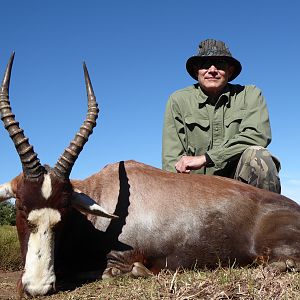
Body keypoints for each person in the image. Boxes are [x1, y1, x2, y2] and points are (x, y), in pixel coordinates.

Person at [162, 39, 281, 193]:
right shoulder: (178, 100)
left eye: (219, 64)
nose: (212, 70)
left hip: (240, 187)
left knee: (260, 156)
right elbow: (171, 160)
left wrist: (206, 158)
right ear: (196, 71)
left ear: (230, 71)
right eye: (205, 64)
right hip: (195, 189)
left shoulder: (250, 94)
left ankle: (268, 215)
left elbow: (257, 135)